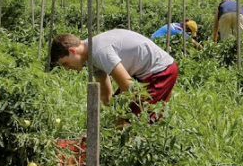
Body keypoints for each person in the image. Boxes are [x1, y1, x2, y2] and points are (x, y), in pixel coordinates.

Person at [50, 29, 178, 123]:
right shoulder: (92, 55)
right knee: (129, 118)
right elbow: (106, 95)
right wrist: (102, 125)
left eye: (65, 63)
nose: (66, 69)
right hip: (144, 74)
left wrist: (117, 122)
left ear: (72, 51)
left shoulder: (99, 52)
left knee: (135, 121)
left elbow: (129, 87)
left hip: (161, 71)